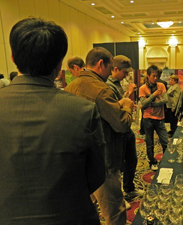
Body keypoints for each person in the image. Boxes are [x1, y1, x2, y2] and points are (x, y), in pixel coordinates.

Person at [0, 17, 106, 225]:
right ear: (60, 65)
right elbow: (96, 176)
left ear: (13, 57)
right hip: (70, 216)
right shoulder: (82, 110)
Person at [65, 47, 134, 225]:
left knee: (86, 209)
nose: (112, 72)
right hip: (103, 161)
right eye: (111, 68)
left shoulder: (70, 87)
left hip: (79, 159)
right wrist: (126, 107)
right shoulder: (101, 89)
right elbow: (121, 125)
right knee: (115, 212)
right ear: (101, 64)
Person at [106, 55, 144, 209]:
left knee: (132, 160)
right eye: (125, 72)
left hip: (126, 129)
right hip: (118, 131)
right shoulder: (108, 86)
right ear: (115, 69)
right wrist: (128, 94)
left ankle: (129, 188)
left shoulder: (117, 83)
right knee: (117, 167)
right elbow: (115, 108)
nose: (127, 75)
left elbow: (122, 104)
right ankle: (119, 197)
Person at [139, 65, 168, 171]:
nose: (155, 78)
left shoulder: (161, 85)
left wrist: (153, 104)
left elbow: (165, 100)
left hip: (160, 118)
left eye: (157, 76)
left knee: (165, 141)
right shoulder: (142, 88)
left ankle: (165, 160)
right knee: (149, 143)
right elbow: (143, 105)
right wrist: (154, 95)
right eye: (153, 76)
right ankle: (152, 161)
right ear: (148, 76)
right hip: (148, 119)